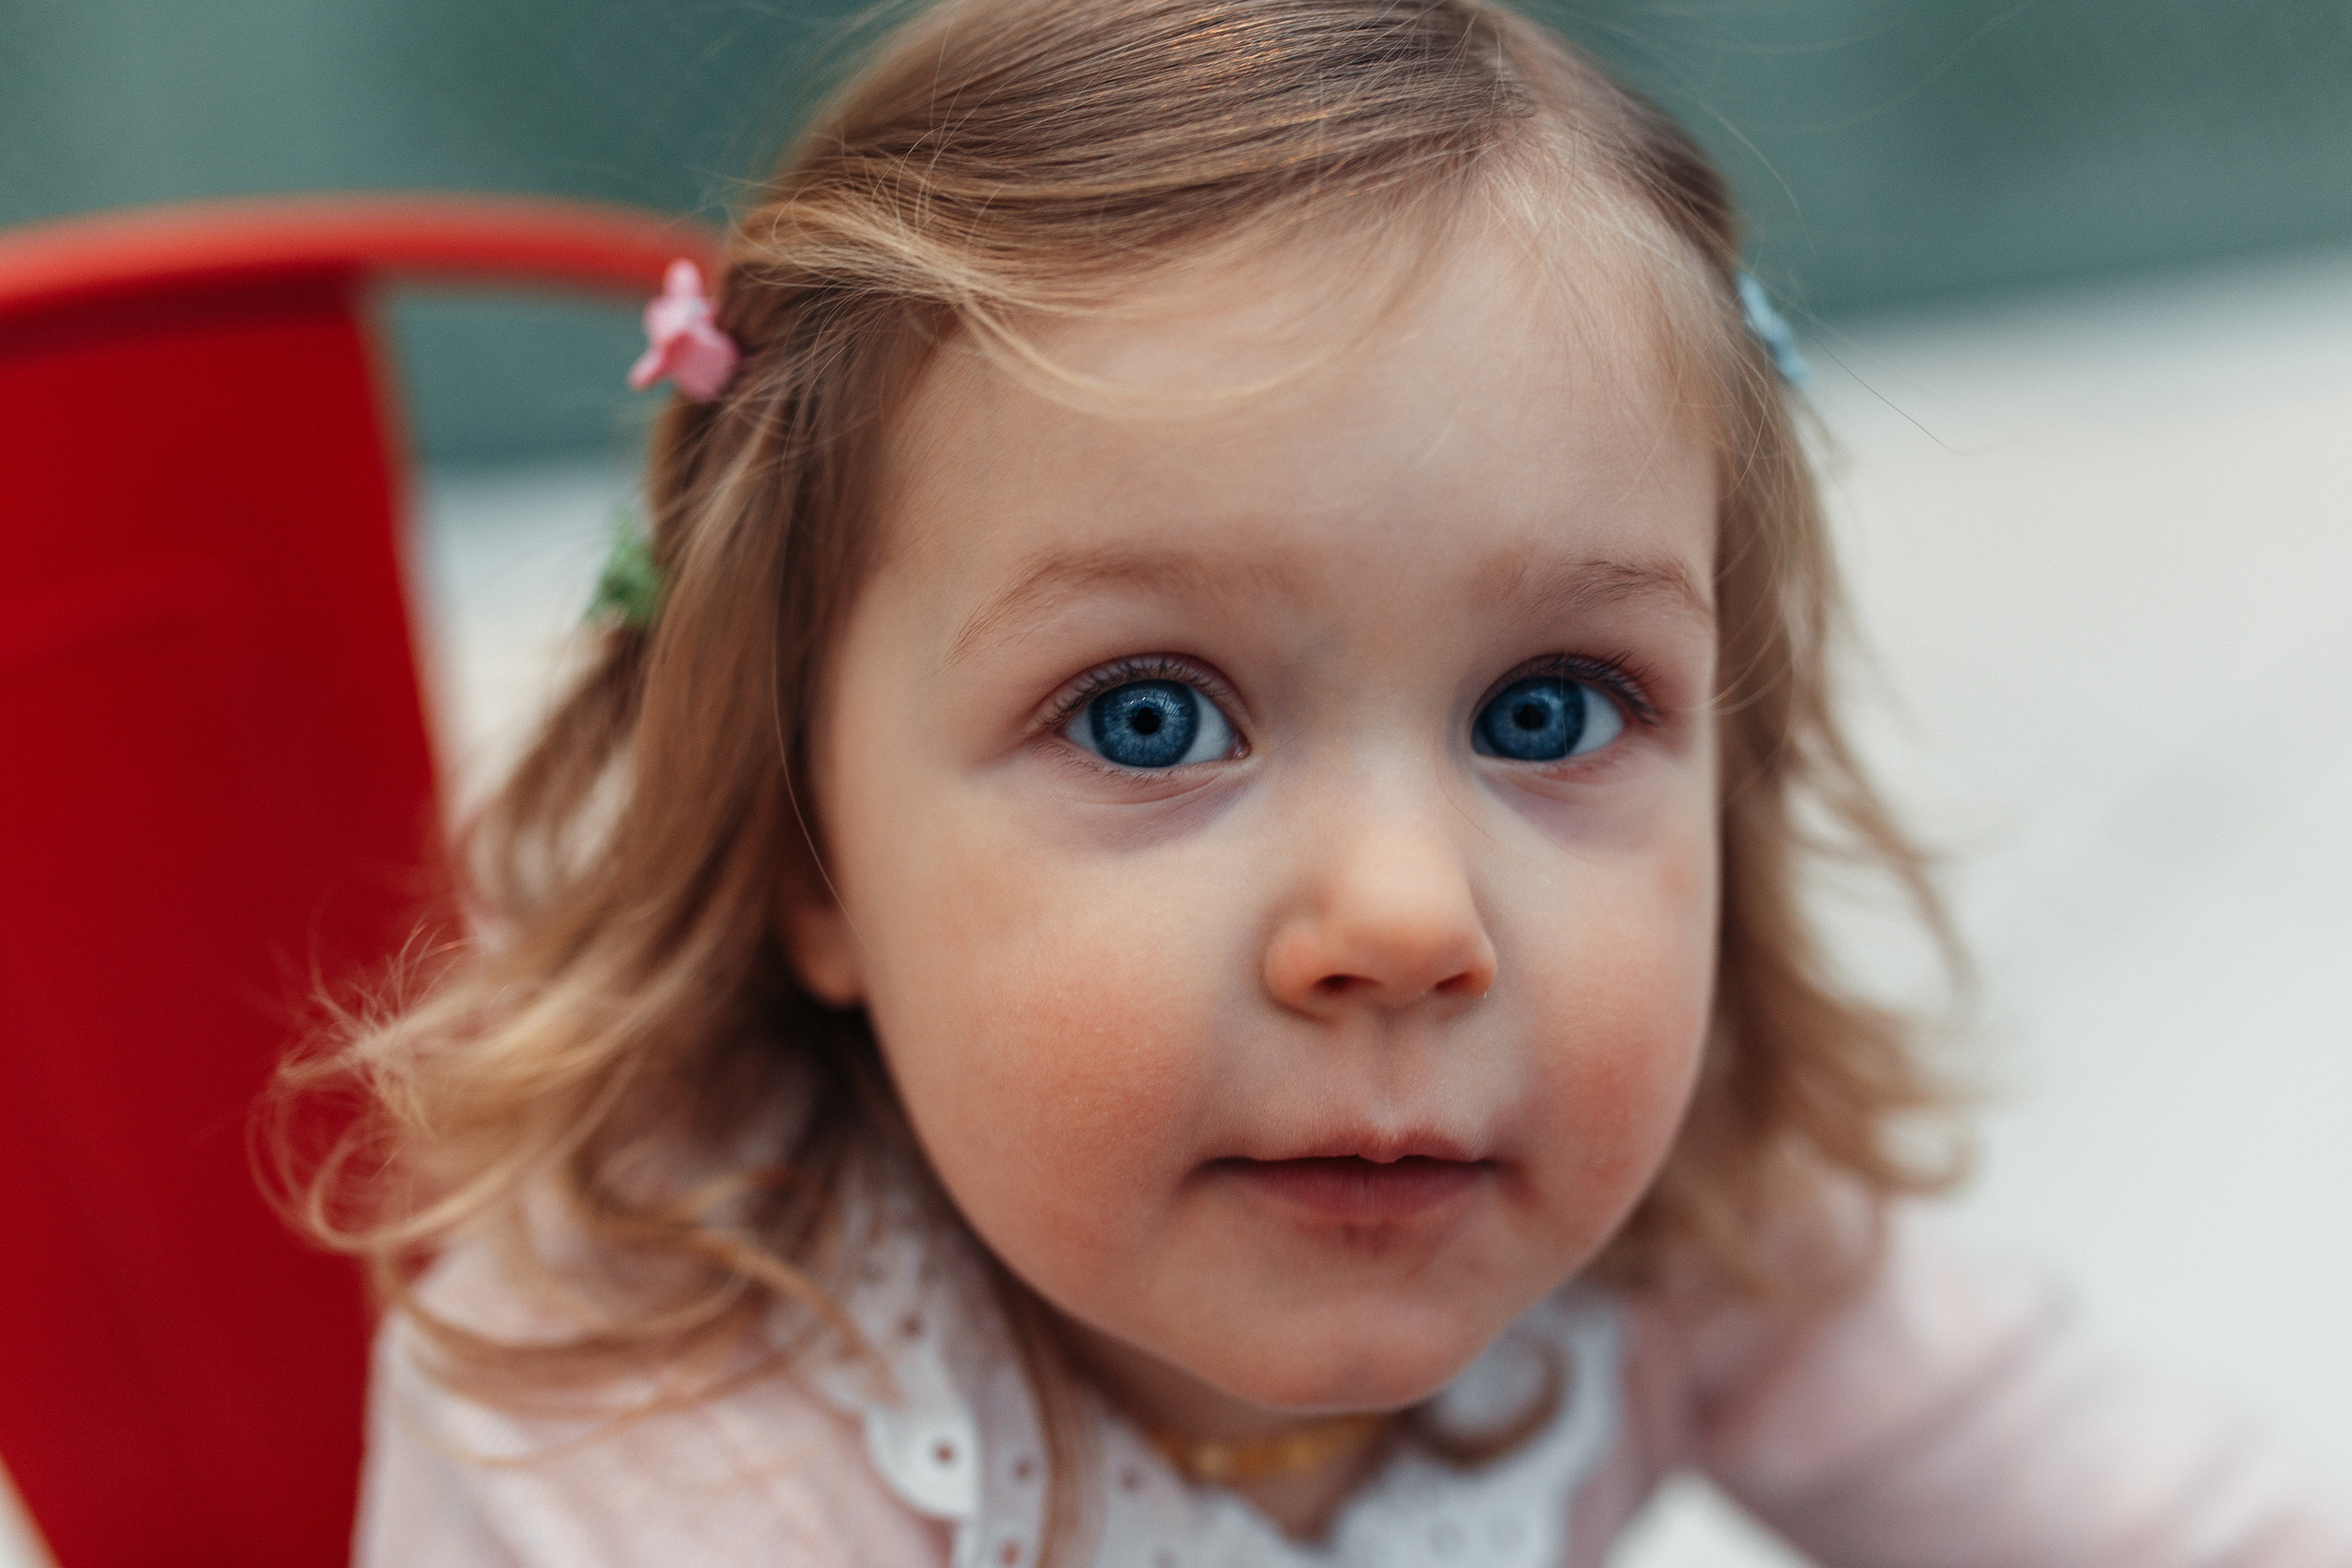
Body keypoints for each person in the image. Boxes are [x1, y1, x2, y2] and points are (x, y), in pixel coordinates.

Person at [297, 1, 2350, 1562]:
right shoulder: (642, 1422)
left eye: (1544, 709)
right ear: (800, 842)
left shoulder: (1695, 1221)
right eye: (1147, 715)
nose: (1401, 917)